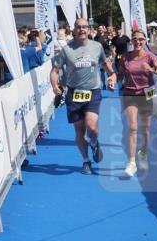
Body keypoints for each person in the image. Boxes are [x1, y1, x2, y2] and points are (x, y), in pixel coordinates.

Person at [50, 18, 118, 174]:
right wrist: (55, 86)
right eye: (78, 27)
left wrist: (113, 75)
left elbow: (105, 63)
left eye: (84, 27)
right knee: (79, 131)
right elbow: (54, 71)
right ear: (74, 29)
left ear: (89, 29)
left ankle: (94, 142)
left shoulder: (97, 47)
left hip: (93, 91)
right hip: (74, 93)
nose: (82, 29)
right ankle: (86, 161)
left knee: (92, 126)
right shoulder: (67, 50)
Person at [117, 30, 157, 177]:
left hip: (146, 94)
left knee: (145, 129)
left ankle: (144, 151)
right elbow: (120, 74)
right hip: (130, 94)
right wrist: (114, 79)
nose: (138, 42)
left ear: (145, 41)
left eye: (141, 39)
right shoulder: (125, 57)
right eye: (135, 39)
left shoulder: (150, 56)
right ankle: (132, 163)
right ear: (131, 41)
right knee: (133, 128)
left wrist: (151, 69)